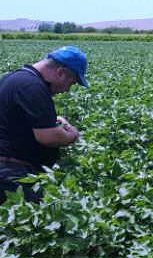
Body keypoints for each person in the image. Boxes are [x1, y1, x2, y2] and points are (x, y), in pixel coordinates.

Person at [0, 46, 88, 204]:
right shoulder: (32, 87)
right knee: (32, 224)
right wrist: (72, 134)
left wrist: (54, 120)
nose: (68, 90)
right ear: (60, 73)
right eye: (72, 83)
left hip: (7, 171)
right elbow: (48, 137)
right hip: (12, 175)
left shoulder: (15, 78)